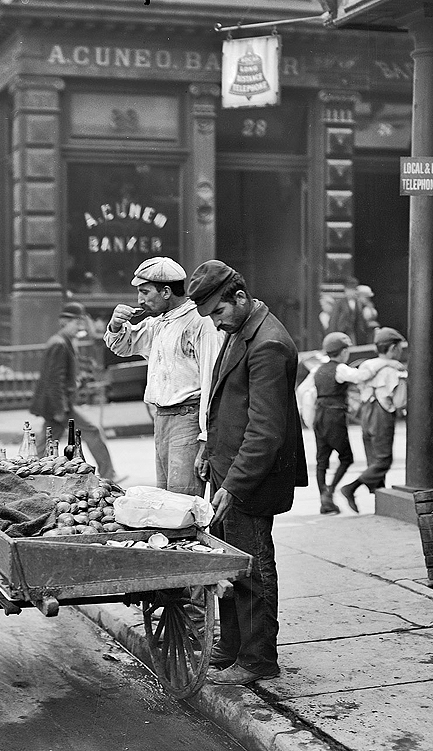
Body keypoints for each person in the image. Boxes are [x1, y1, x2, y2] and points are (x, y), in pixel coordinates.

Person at [187, 259, 307, 686]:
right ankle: (232, 645)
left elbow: (265, 431)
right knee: (228, 563)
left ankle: (257, 660)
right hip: (227, 469)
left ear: (239, 297)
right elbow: (227, 402)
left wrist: (233, 485)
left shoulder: (268, 343)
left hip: (250, 479)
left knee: (253, 567)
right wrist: (208, 449)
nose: (217, 323)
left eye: (219, 312)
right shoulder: (241, 330)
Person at [104, 257, 223, 496]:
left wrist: (206, 437)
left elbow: (213, 382)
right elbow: (123, 346)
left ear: (167, 291)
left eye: (145, 292)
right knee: (167, 499)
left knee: (183, 501)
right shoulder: (159, 322)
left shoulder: (200, 323)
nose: (140, 300)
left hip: (188, 418)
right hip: (162, 419)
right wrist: (116, 325)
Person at [31, 301, 119, 481]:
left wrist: (78, 381)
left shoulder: (65, 342)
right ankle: (109, 475)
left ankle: (30, 473)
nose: (80, 326)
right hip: (60, 405)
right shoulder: (59, 344)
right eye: (76, 323)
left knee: (46, 441)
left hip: (60, 403)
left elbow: (61, 377)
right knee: (91, 431)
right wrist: (59, 409)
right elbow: (54, 380)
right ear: (64, 322)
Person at [339, 326, 408, 508]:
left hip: (366, 413)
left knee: (373, 459)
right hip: (381, 414)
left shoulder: (367, 365)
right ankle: (351, 488)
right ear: (393, 348)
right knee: (383, 460)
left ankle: (380, 501)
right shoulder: (393, 371)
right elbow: (400, 401)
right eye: (400, 347)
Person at [313, 331, 371, 515]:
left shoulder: (318, 369)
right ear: (344, 351)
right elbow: (359, 376)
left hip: (319, 416)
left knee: (322, 459)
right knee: (346, 458)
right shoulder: (341, 369)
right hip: (334, 417)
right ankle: (330, 491)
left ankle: (324, 498)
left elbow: (305, 390)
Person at [326, 277, 379, 345]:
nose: (351, 292)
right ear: (345, 290)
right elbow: (334, 319)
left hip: (355, 333)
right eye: (349, 290)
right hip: (342, 331)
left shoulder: (359, 303)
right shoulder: (339, 303)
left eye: (353, 290)